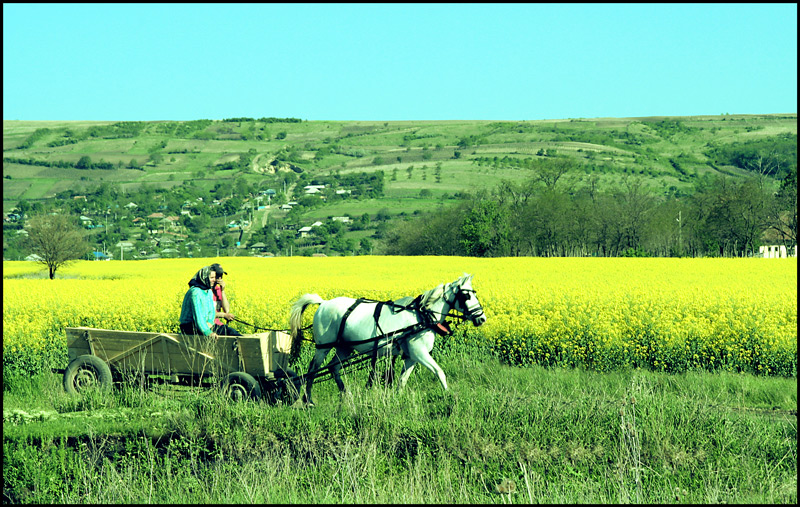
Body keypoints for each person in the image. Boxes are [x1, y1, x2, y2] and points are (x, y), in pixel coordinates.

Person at [179, 265, 218, 339]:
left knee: (229, 331)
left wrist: (210, 322)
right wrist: (208, 332)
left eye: (215, 277)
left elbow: (211, 311)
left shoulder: (208, 291)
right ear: (204, 277)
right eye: (212, 278)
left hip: (204, 324)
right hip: (190, 326)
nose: (214, 280)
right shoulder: (195, 292)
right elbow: (198, 315)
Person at [209, 263, 242, 336]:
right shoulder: (205, 292)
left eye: (221, 276)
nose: (220, 278)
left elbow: (226, 310)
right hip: (208, 326)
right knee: (232, 333)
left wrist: (222, 291)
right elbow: (206, 314)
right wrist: (224, 315)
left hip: (217, 325)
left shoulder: (217, 290)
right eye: (218, 276)